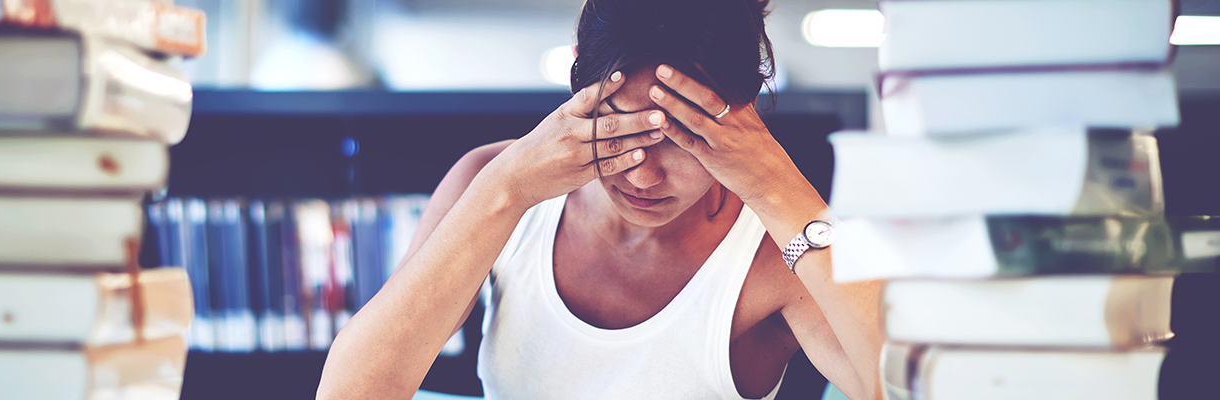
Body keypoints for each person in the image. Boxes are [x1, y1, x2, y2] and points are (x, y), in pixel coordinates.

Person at [318, 0, 882, 399]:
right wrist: (505, 189)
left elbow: (905, 388)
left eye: (684, 139)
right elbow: (350, 393)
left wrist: (778, 186)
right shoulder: (492, 184)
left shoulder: (775, 246)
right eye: (619, 129)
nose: (642, 175)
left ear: (742, 118)